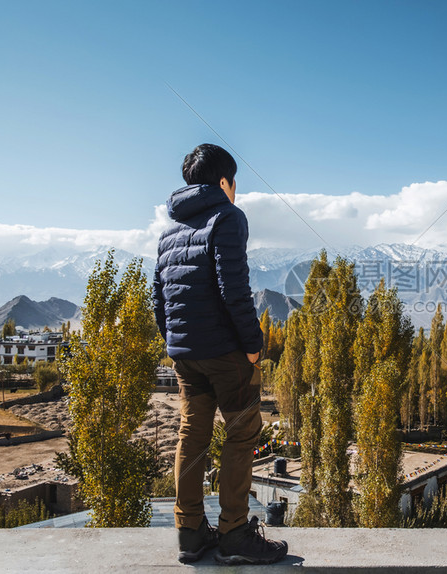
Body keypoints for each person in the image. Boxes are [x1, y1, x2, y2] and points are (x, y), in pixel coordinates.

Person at [153, 143, 288, 565]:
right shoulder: (227, 217)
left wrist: (176, 342)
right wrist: (253, 346)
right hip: (226, 353)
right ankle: (233, 534)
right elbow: (234, 289)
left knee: (191, 435)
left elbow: (159, 298)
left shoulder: (169, 231)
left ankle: (190, 533)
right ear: (225, 182)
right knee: (242, 434)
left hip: (185, 355)